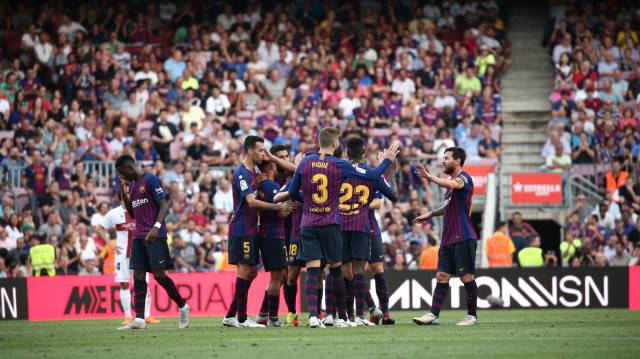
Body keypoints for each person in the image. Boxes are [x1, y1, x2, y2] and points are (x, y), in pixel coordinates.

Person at [288, 127, 399, 328]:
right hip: (332, 223)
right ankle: (342, 318)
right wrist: (388, 161)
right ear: (334, 144)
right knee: (336, 269)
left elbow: (293, 191)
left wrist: (309, 203)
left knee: (313, 270)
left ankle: (315, 316)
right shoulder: (339, 165)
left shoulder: (304, 162)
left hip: (308, 223)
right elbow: (373, 174)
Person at [222, 136, 296, 328]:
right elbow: (251, 202)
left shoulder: (253, 176)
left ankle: (231, 315)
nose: (264, 154)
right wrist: (278, 207)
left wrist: (257, 181)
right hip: (242, 228)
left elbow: (255, 194)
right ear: (250, 151)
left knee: (252, 272)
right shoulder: (241, 173)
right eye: (261, 150)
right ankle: (242, 318)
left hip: (252, 229)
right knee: (246, 271)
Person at [328, 136, 398, 327]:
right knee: (359, 271)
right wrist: (388, 168)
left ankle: (341, 316)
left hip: (340, 225)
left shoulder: (338, 169)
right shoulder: (371, 173)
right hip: (361, 225)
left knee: (341, 270)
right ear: (364, 152)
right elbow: (393, 196)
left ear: (346, 153)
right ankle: (359, 316)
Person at [115, 155, 190, 330]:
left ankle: (183, 306)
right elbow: (132, 213)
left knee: (159, 275)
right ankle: (140, 319)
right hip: (139, 236)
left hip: (154, 235)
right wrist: (124, 192)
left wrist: (156, 227)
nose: (122, 176)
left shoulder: (150, 179)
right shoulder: (132, 185)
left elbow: (164, 205)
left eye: (122, 172)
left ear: (130, 167)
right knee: (138, 276)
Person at [412, 147, 479, 326]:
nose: (443, 161)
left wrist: (430, 177)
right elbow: (447, 207)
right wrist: (430, 214)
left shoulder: (465, 178)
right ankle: (434, 314)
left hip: (463, 236)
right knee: (442, 275)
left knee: (467, 277)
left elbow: (453, 184)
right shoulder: (450, 186)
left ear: (457, 161)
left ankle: (472, 316)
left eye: (447, 158)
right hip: (448, 238)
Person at [100, 195, 158, 325]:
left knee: (144, 284)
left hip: (140, 254)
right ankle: (127, 316)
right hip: (122, 255)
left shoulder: (141, 210)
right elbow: (99, 228)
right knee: (124, 284)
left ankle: (147, 315)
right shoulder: (114, 213)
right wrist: (110, 244)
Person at [252, 159, 294, 327]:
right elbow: (280, 214)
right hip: (273, 235)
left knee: (280, 275)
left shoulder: (261, 186)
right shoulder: (272, 186)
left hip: (267, 234)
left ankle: (265, 314)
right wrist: (289, 206)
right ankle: (273, 318)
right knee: (277, 277)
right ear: (271, 166)